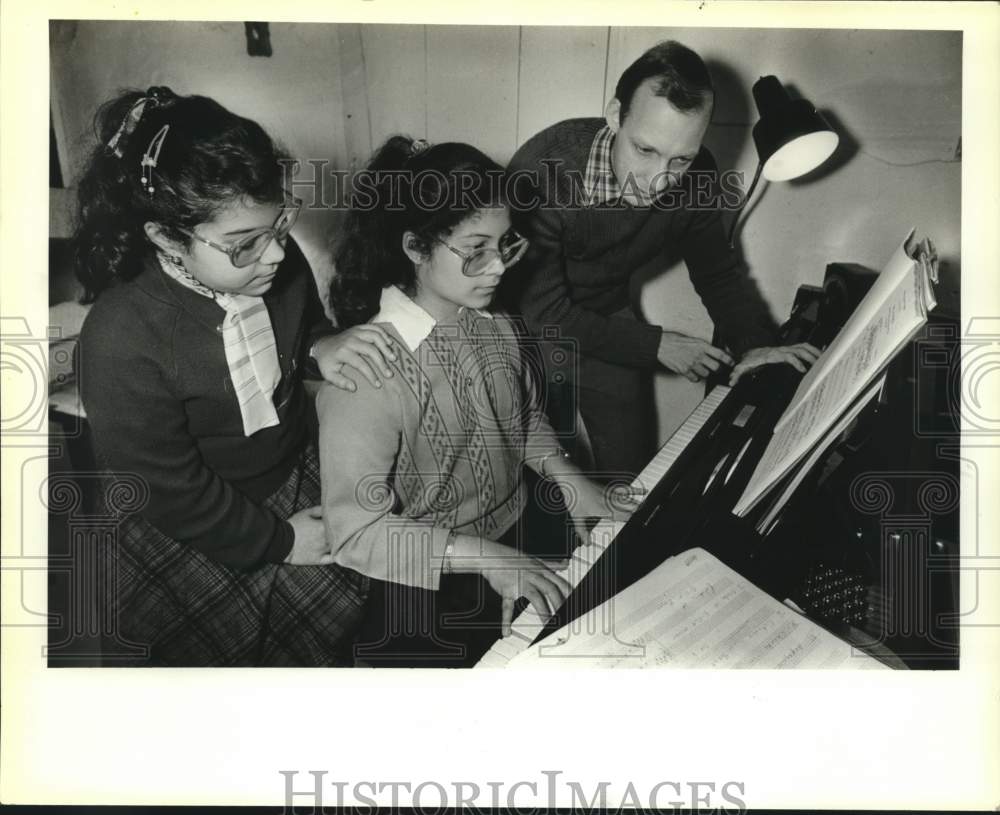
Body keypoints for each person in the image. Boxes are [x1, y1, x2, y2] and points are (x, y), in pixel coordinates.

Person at [74, 87, 395, 666]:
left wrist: (320, 344)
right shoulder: (120, 339)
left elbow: (302, 327)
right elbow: (171, 490)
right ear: (165, 238)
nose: (275, 255)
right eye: (244, 245)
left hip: (286, 466)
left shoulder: (274, 262)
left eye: (281, 225)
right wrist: (280, 540)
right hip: (194, 511)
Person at [320, 136, 634, 667]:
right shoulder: (366, 376)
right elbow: (356, 534)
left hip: (516, 533)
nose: (499, 267)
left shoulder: (496, 325)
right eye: (475, 250)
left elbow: (521, 419)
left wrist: (568, 477)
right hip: (428, 579)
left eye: (505, 244)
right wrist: (487, 558)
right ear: (415, 248)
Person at [502, 40, 820, 478]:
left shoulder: (699, 175)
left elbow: (717, 274)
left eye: (681, 159)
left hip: (605, 314)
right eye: (645, 150)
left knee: (628, 470)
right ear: (616, 115)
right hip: (518, 324)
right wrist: (655, 345)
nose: (658, 181)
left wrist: (755, 344)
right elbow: (543, 313)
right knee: (529, 465)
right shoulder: (542, 171)